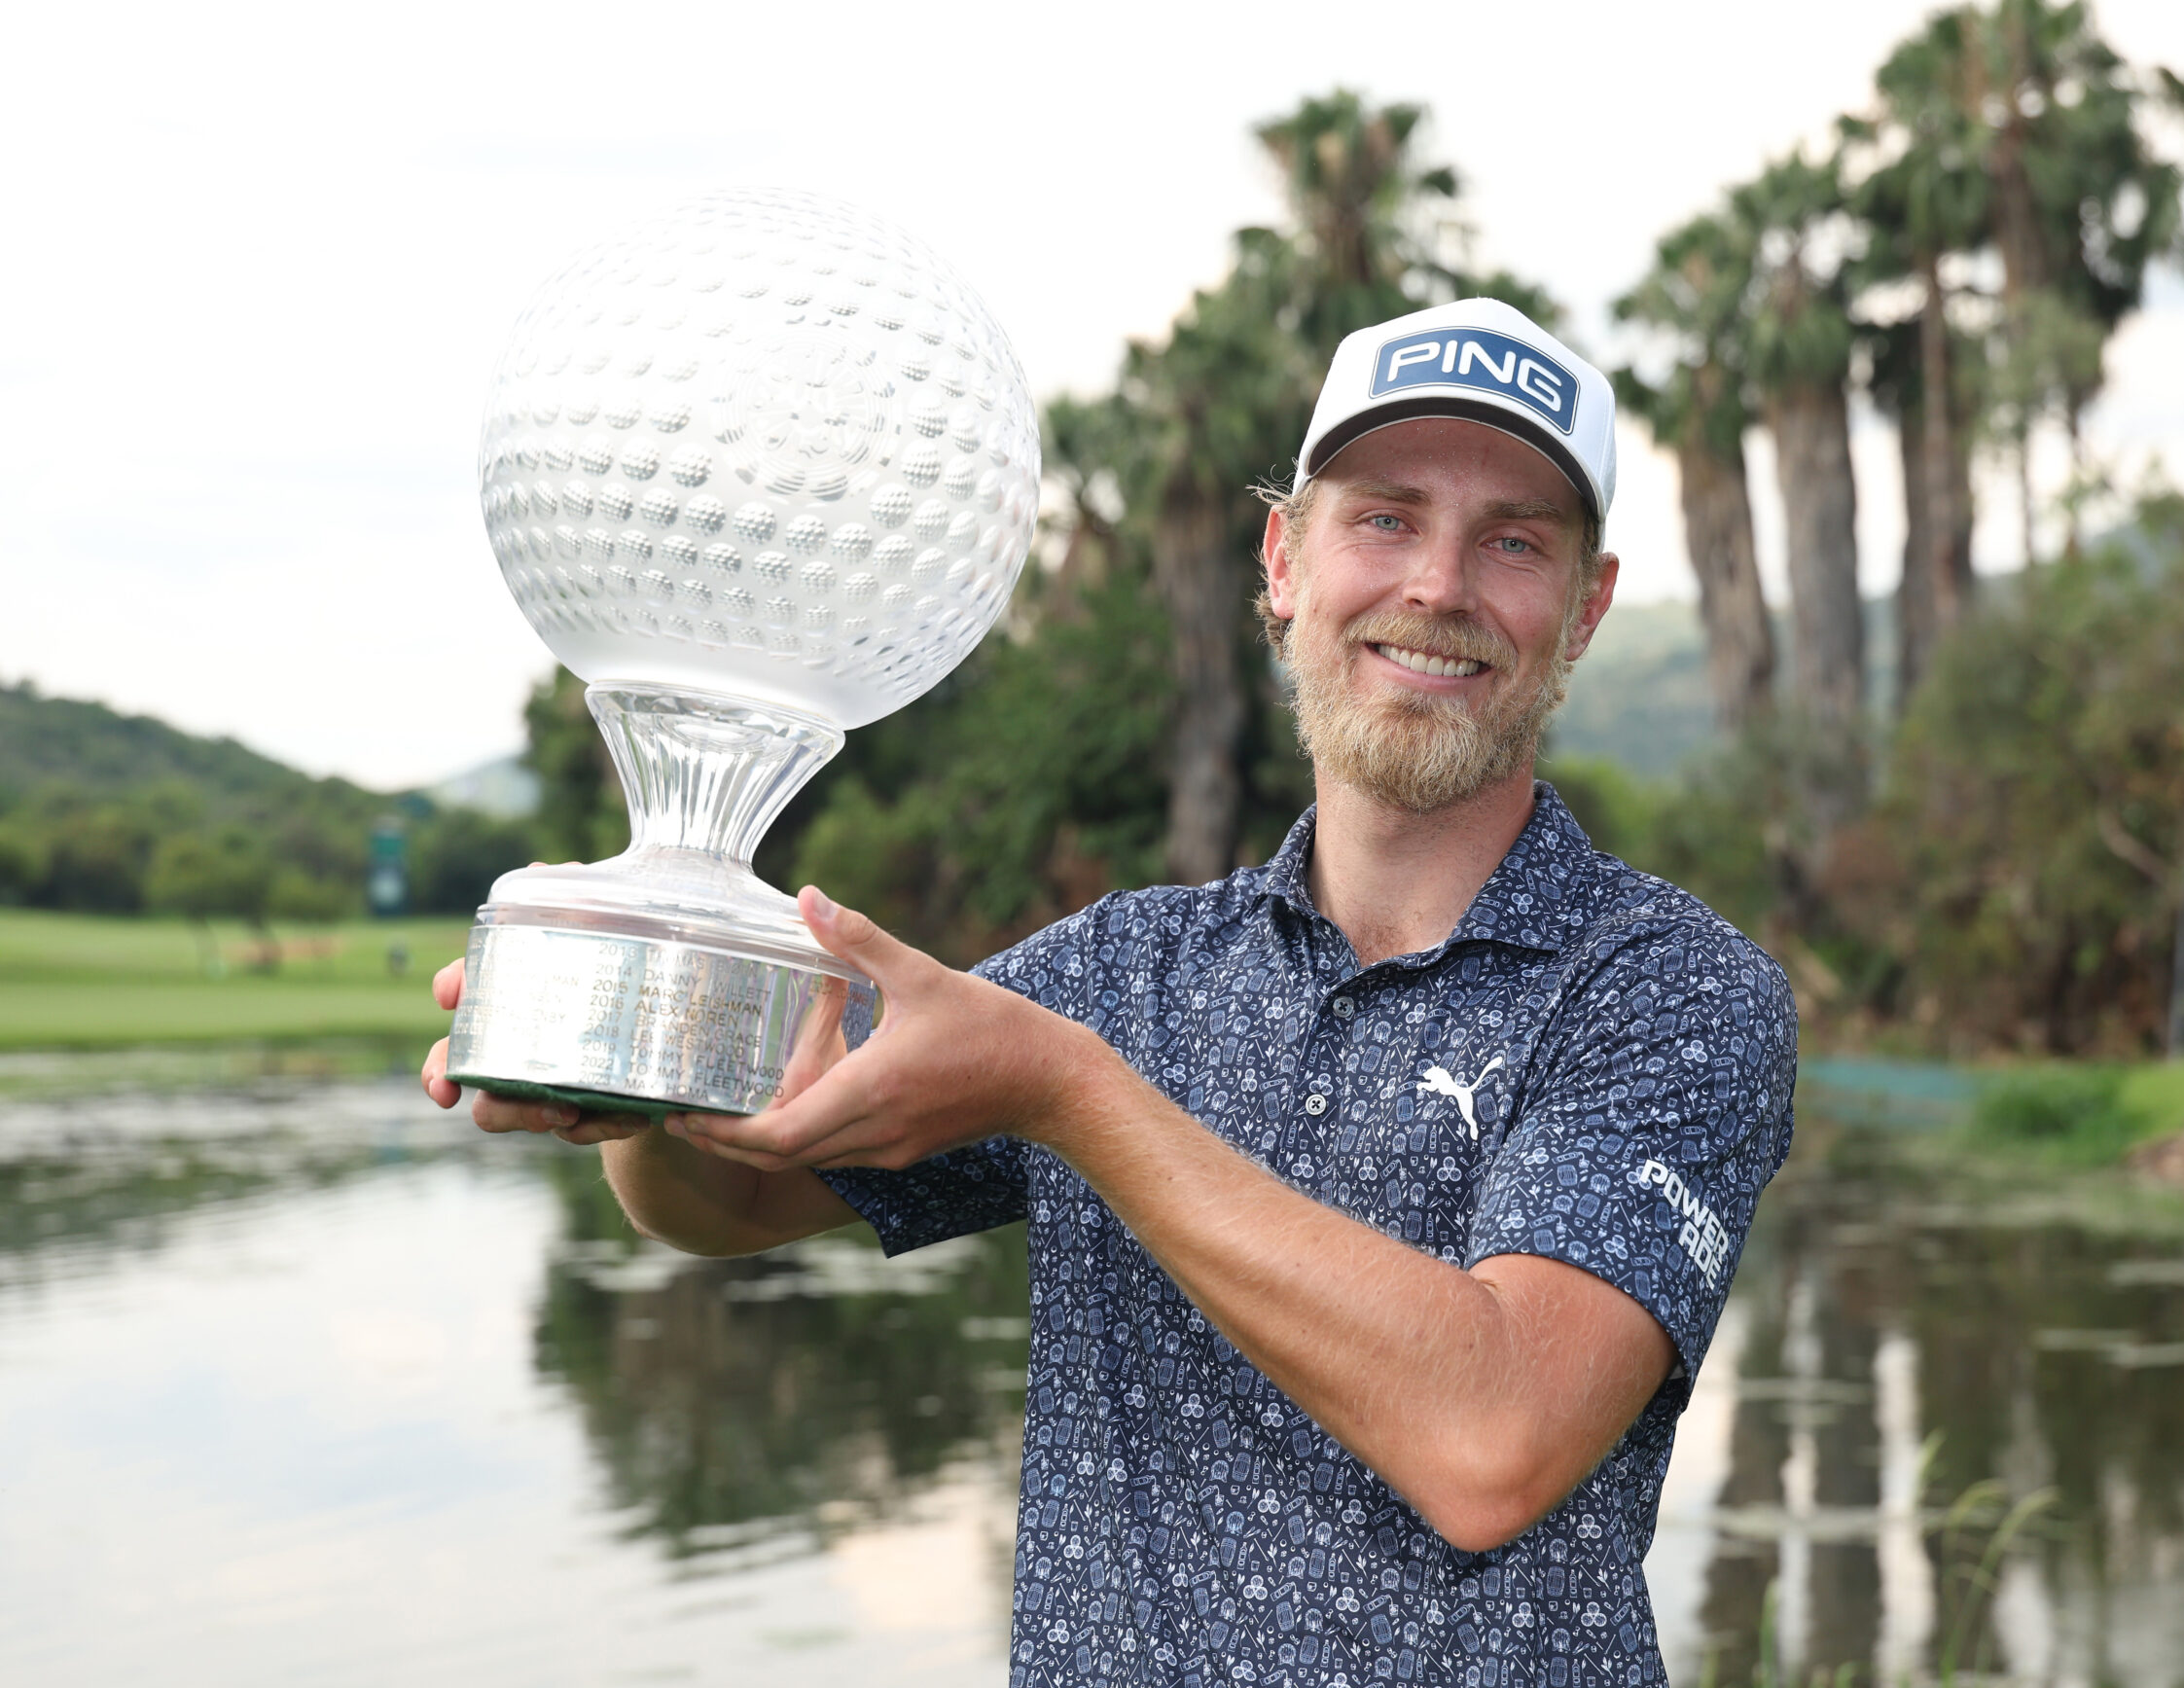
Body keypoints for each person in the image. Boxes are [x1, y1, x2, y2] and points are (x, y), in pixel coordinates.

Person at [424, 297, 1796, 1688]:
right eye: (1383, 517)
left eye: (1514, 540)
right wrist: (643, 1079)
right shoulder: (1123, 970)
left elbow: (1493, 1441)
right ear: (1283, 561)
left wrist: (1071, 1093)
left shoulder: (1672, 992)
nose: (1439, 584)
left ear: (1585, 610)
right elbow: (738, 1205)